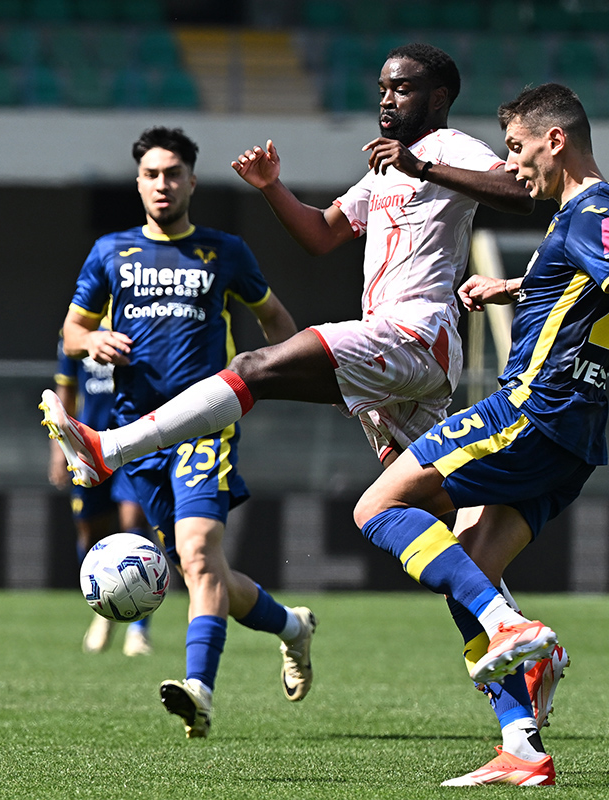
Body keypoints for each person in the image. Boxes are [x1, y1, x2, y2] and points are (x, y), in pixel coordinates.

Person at [39, 42, 556, 761]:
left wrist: (424, 167)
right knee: (453, 546)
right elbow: (321, 235)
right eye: (382, 88)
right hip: (396, 379)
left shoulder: (448, 149)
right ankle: (520, 719)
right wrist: (272, 189)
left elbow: (526, 193)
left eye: (402, 89)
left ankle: (109, 446)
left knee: (254, 365)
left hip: (413, 338)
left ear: (437, 98)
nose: (386, 100)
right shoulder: (384, 167)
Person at [351, 83, 609, 787]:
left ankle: (512, 629)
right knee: (470, 569)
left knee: (376, 507)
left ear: (555, 141)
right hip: (574, 437)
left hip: (530, 410)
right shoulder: (597, 216)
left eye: (518, 147)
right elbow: (587, 286)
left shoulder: (593, 209)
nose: (513, 164)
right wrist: (510, 289)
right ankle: (522, 745)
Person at [40, 126, 311, 740]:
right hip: (136, 434)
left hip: (204, 427)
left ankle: (201, 691)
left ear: (191, 180)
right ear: (138, 183)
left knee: (194, 553)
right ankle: (293, 627)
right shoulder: (111, 252)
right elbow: (72, 332)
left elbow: (276, 322)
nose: (163, 184)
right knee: (203, 574)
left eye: (174, 174)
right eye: (152, 175)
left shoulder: (224, 252)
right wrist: (94, 340)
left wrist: (284, 377)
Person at [49, 331, 156, 657]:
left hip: (133, 443)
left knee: (134, 523)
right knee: (90, 534)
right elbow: (65, 389)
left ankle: (139, 630)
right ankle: (105, 609)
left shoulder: (137, 324)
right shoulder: (76, 334)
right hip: (87, 447)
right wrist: (58, 451)